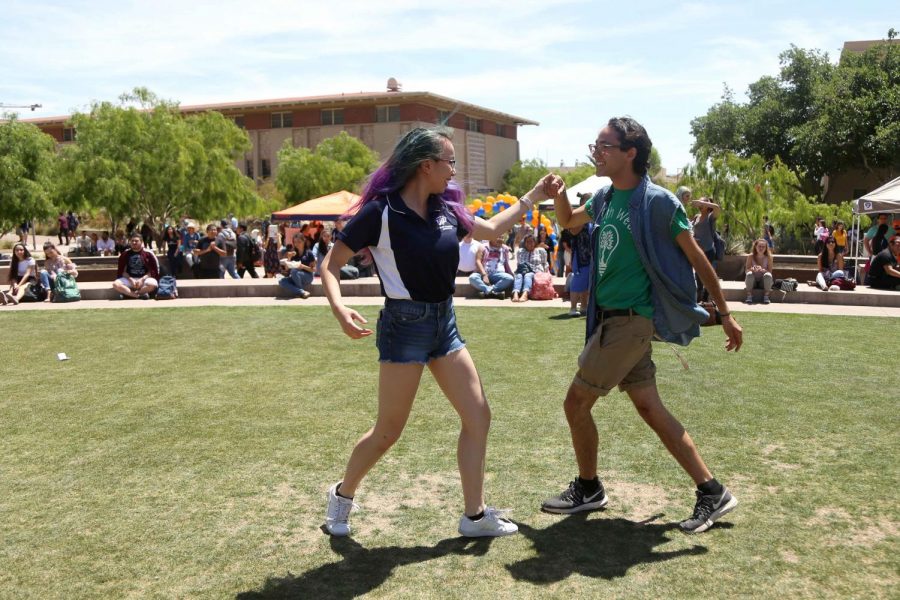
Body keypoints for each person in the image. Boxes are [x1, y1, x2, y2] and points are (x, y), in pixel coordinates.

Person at [319, 126, 529, 538]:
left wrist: (531, 198)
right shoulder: (380, 212)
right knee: (387, 432)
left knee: (478, 416)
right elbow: (329, 264)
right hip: (404, 326)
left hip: (444, 324)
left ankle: (474, 516)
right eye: (449, 161)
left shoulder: (445, 209)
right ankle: (342, 496)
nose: (454, 170)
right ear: (425, 165)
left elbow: (488, 231)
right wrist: (340, 308)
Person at [539, 116, 743, 534]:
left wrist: (724, 312)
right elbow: (568, 222)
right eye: (595, 144)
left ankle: (589, 487)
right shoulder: (605, 197)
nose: (596, 152)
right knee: (650, 408)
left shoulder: (660, 202)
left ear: (630, 153)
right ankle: (712, 490)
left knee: (575, 403)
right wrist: (559, 194)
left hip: (631, 323)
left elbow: (699, 260)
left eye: (604, 146)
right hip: (611, 319)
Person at [685, 195, 722, 302]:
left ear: (707, 205)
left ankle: (706, 297)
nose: (700, 205)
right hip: (697, 250)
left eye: (703, 203)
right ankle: (699, 297)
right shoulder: (696, 216)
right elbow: (691, 230)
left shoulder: (710, 217)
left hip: (708, 251)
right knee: (698, 274)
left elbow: (717, 208)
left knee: (708, 274)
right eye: (699, 203)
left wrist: (704, 202)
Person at [112, 233, 159, 299]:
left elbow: (153, 270)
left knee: (153, 284)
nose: (134, 242)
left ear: (141, 242)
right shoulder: (125, 254)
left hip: (145, 279)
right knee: (115, 284)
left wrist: (142, 279)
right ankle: (137, 295)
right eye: (132, 241)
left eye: (136, 241)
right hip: (129, 279)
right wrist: (130, 279)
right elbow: (122, 271)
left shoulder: (148, 254)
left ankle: (129, 294)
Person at [469, 234, 514, 299]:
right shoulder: (483, 246)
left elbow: (506, 264)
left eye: (502, 238)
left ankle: (487, 291)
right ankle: (495, 292)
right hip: (483, 274)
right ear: (491, 238)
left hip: (498, 275)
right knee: (472, 278)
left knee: (509, 278)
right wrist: (484, 275)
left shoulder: (505, 249)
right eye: (498, 237)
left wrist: (511, 274)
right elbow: (478, 261)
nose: (500, 240)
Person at [277, 233, 315, 298]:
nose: (297, 244)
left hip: (307, 276)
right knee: (282, 281)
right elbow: (287, 269)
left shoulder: (309, 253)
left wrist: (303, 266)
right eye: (295, 242)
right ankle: (302, 292)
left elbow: (313, 269)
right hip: (295, 275)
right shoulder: (294, 253)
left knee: (294, 271)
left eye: (299, 242)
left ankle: (300, 291)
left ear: (304, 241)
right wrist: (289, 258)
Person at [744, 238, 774, 304]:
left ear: (766, 248)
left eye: (763, 247)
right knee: (749, 274)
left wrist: (764, 271)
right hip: (753, 281)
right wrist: (752, 269)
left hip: (762, 282)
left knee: (768, 275)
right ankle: (749, 296)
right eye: (759, 246)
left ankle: (766, 296)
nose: (761, 248)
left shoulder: (769, 257)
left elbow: (770, 272)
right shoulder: (750, 256)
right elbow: (746, 270)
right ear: (755, 247)